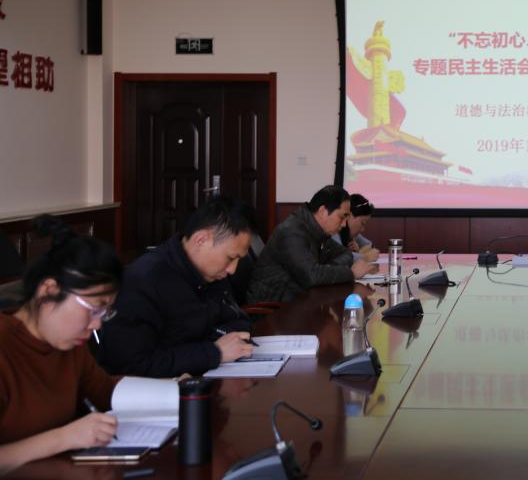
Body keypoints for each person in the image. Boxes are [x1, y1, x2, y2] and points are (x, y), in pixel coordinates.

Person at [0, 216, 121, 472]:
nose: (97, 324)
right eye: (93, 309)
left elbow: (105, 391)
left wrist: (178, 392)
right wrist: (64, 438)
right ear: (49, 291)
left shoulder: (70, 345)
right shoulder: (5, 346)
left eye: (105, 313)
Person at [97, 196, 258, 378]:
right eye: (230, 258)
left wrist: (220, 344)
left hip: (204, 377)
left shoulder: (211, 273)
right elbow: (130, 365)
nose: (232, 270)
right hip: (157, 390)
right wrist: (214, 352)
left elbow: (237, 320)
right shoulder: (143, 282)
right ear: (201, 240)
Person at [247, 185, 375, 304]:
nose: (344, 224)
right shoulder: (292, 233)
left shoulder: (319, 231)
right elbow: (312, 277)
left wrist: (325, 270)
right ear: (322, 211)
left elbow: (346, 253)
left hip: (297, 301)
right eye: (342, 217)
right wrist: (350, 273)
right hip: (273, 308)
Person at [335, 193, 380, 263]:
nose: (362, 229)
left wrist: (359, 251)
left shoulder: (351, 233)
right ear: (349, 215)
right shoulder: (333, 230)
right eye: (362, 223)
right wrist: (364, 257)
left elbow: (369, 245)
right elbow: (339, 257)